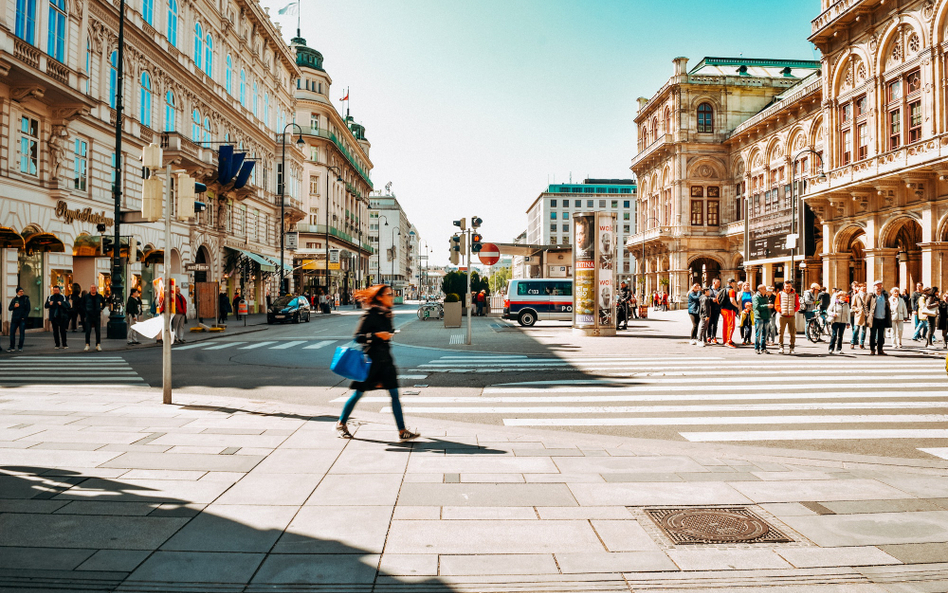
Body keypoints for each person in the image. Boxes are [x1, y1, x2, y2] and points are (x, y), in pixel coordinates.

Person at [336, 285, 419, 441]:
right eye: (389, 294)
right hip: (371, 363)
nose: (392, 297)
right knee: (358, 394)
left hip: (386, 362)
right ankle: (341, 423)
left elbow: (388, 332)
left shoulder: (387, 314)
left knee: (394, 394)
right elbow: (359, 337)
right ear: (380, 297)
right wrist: (377, 335)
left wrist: (388, 333)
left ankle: (402, 431)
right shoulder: (371, 314)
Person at [866, 281, 892, 355]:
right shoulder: (871, 295)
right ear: (874, 287)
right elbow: (866, 305)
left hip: (883, 318)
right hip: (874, 318)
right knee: (873, 334)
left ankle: (880, 349)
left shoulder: (885, 295)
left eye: (880, 286)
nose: (878, 287)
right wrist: (868, 314)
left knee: (881, 335)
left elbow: (887, 305)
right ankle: (872, 349)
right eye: (877, 286)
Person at [775, 282, 800, 355]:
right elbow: (776, 304)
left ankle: (792, 347)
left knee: (792, 332)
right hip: (782, 316)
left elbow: (797, 304)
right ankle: (781, 346)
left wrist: (794, 310)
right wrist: (780, 310)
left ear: (791, 286)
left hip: (791, 316)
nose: (787, 288)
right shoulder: (780, 294)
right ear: (784, 286)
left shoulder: (795, 294)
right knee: (781, 332)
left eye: (789, 286)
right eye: (786, 286)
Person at [79, 285, 106, 352]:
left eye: (94, 288)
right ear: (90, 289)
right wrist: (86, 311)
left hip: (97, 315)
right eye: (92, 288)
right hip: (89, 315)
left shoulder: (99, 296)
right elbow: (82, 304)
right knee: (88, 331)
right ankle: (87, 344)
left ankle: (98, 344)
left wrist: (100, 309)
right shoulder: (86, 297)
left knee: (98, 331)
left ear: (96, 289)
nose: (93, 289)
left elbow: (104, 303)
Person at [826, 290, 851, 355]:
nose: (843, 297)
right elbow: (828, 311)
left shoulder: (847, 304)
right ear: (838, 296)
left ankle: (839, 349)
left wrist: (848, 323)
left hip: (843, 322)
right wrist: (832, 314)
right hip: (835, 321)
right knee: (834, 335)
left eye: (844, 296)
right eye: (842, 296)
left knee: (840, 336)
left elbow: (848, 314)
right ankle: (831, 348)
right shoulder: (834, 303)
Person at [46, 285, 70, 350]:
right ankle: (57, 344)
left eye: (57, 290)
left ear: (59, 290)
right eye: (54, 290)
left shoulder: (63, 297)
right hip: (54, 317)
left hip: (62, 316)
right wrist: (49, 304)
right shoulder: (50, 297)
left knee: (63, 331)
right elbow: (46, 305)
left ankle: (64, 344)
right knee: (55, 331)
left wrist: (61, 304)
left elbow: (68, 305)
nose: (55, 291)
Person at [7, 287, 30, 352]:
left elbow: (28, 309)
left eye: (22, 291)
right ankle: (12, 346)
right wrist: (14, 306)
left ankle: (20, 347)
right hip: (14, 318)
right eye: (20, 291)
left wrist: (24, 317)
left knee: (22, 333)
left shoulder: (26, 299)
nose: (22, 292)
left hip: (22, 319)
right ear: (17, 292)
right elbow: (10, 308)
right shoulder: (14, 299)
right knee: (12, 333)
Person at [752, 284, 773, 354]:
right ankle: (756, 347)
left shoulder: (766, 297)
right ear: (760, 290)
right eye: (764, 289)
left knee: (765, 333)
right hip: (759, 317)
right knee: (758, 334)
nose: (766, 290)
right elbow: (757, 307)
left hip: (766, 316)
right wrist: (767, 306)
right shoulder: (755, 297)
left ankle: (763, 348)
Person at [719, 278, 740, 348]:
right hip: (729, 309)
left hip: (723, 309)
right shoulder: (731, 290)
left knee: (725, 325)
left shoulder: (722, 289)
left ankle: (725, 340)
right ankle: (728, 340)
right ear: (731, 283)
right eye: (734, 283)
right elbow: (732, 300)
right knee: (731, 325)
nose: (735, 284)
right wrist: (737, 306)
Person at [850, 282, 868, 350]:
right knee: (856, 329)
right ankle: (853, 343)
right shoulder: (856, 296)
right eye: (863, 287)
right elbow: (853, 306)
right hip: (858, 315)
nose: (864, 288)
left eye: (865, 287)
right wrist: (858, 310)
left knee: (864, 330)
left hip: (866, 315)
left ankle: (862, 344)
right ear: (860, 288)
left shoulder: (868, 295)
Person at [708, 278, 723, 344]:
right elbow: (704, 297)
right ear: (714, 283)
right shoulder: (708, 289)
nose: (719, 284)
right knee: (709, 323)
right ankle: (708, 336)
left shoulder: (720, 290)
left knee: (715, 323)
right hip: (709, 308)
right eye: (718, 282)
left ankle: (714, 337)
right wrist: (711, 299)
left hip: (717, 308)